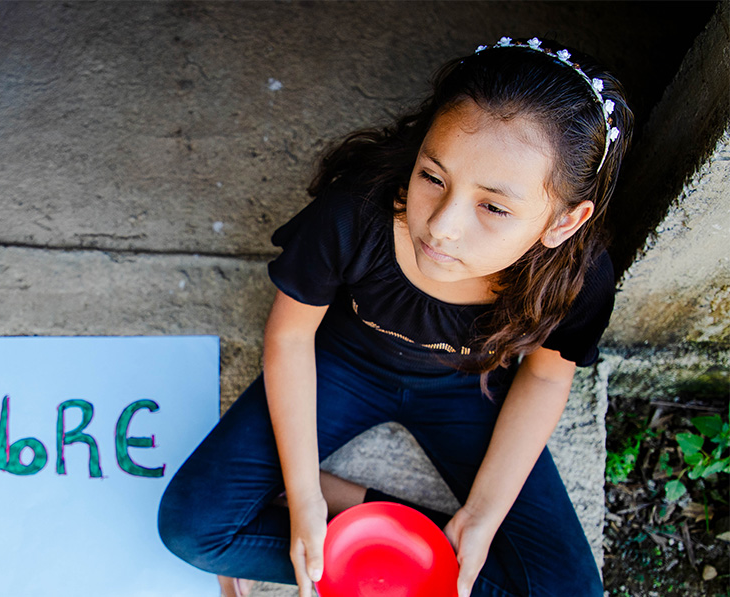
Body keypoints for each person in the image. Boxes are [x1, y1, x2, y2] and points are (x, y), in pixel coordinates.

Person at [158, 37, 633, 597]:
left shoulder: (579, 278)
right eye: (433, 176)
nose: (442, 226)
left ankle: (394, 536)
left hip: (469, 390)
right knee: (192, 529)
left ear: (562, 223)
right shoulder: (354, 213)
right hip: (344, 364)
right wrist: (305, 495)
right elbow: (290, 336)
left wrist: (482, 514)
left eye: (494, 207)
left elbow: (548, 374)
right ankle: (373, 529)